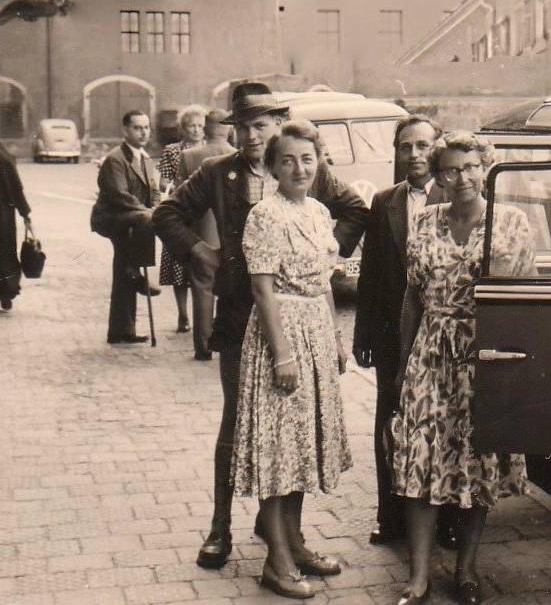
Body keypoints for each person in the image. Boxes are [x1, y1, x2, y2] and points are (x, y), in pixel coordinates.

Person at [152, 82, 367, 571]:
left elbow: (356, 210)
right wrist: (201, 253)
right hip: (241, 317)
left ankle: (285, 534)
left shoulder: (305, 168)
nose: (251, 135)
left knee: (295, 429)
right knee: (238, 423)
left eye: (261, 125)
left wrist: (321, 252)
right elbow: (166, 213)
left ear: (278, 126)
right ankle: (220, 527)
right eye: (243, 127)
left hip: (299, 321)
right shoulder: (217, 172)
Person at [391, 132, 535, 605]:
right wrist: (403, 363)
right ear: (438, 176)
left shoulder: (511, 222)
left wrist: (516, 368)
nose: (463, 177)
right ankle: (418, 577)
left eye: (471, 167)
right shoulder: (424, 221)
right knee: (420, 458)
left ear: (486, 167)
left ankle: (466, 570)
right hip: (431, 353)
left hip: (484, 354)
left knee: (478, 462)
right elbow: (412, 296)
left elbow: (526, 299)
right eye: (451, 170)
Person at [232, 120, 352, 599]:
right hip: (279, 337)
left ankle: (296, 544)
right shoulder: (265, 214)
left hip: (316, 333)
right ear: (273, 167)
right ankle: (276, 562)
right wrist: (282, 355)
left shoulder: (319, 212)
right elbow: (262, 289)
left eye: (307, 158)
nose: (300, 168)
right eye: (288, 160)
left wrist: (335, 339)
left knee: (302, 446)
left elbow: (323, 282)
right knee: (277, 448)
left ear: (319, 161)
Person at [353, 115, 452, 547]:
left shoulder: (453, 196)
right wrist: (363, 337)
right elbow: (371, 274)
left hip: (441, 333)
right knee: (390, 424)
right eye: (405, 146)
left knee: (441, 425)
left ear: (436, 148)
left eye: (422, 145)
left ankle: (446, 519)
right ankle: (389, 517)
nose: (414, 155)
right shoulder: (384, 202)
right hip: (393, 336)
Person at [90, 110, 161, 345]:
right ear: (125, 130)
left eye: (146, 128)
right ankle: (137, 271)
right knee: (146, 221)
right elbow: (118, 195)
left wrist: (156, 207)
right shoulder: (116, 158)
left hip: (133, 219)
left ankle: (122, 330)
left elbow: (154, 190)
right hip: (113, 217)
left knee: (123, 268)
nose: (143, 133)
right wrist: (147, 212)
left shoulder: (145, 158)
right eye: (137, 128)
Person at [175, 108, 235, 360]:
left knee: (202, 290)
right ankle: (230, 343)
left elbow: (180, 201)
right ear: (228, 129)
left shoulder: (189, 157)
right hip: (232, 236)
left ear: (206, 128)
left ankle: (204, 347)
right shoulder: (238, 155)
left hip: (200, 235)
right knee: (233, 290)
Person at [157, 104, 207, 333]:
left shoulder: (210, 149)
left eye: (200, 126)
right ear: (183, 128)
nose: (196, 130)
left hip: (203, 215)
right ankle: (183, 315)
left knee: (203, 267)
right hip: (181, 211)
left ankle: (203, 316)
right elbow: (163, 182)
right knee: (179, 268)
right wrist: (169, 186)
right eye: (191, 126)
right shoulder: (172, 151)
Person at [0, 140, 30, 311]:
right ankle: (6, 293)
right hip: (4, 216)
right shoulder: (5, 156)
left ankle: (5, 293)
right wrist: (25, 212)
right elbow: (16, 187)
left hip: (3, 214)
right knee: (5, 255)